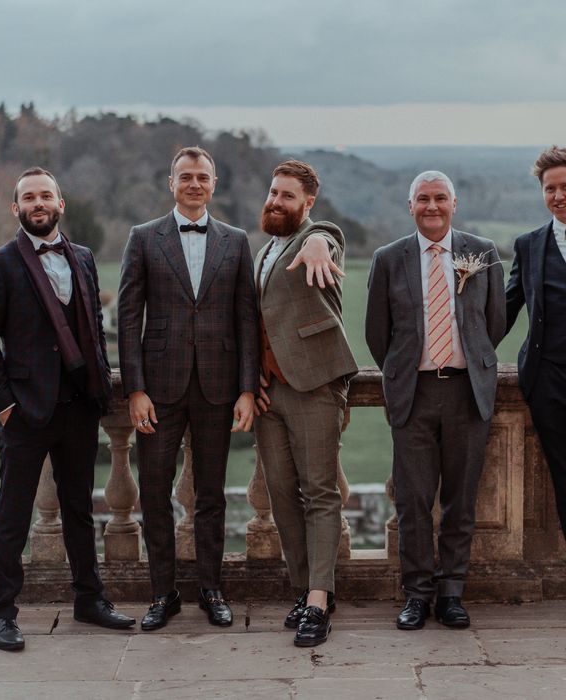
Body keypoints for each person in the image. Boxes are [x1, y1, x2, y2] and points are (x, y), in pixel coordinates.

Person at [0, 166, 135, 651]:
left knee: (80, 510)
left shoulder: (82, 257)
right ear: (15, 208)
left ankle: (90, 599)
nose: (37, 203)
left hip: (80, 408)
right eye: (28, 198)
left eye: (46, 195)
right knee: (12, 517)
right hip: (25, 411)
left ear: (60, 204)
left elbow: (92, 326)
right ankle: (2, 613)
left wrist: (100, 390)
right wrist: (3, 406)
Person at [118, 146, 259, 631]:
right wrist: (134, 388)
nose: (194, 184)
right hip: (159, 388)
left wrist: (246, 388)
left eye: (202, 177)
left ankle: (212, 589)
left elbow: (247, 319)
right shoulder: (142, 238)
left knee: (212, 495)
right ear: (171, 183)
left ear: (214, 183)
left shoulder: (237, 241)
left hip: (219, 387)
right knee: (155, 492)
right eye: (186, 177)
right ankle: (163, 593)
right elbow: (128, 317)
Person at [365, 171, 505, 631]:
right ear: (410, 206)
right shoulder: (389, 259)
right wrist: (406, 372)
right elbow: (376, 333)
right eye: (422, 199)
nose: (431, 206)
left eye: (439, 198)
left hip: (467, 393)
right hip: (414, 393)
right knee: (413, 502)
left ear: (454, 203)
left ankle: (451, 594)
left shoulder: (480, 253)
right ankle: (417, 595)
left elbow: (494, 323)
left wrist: (471, 361)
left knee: (461, 501)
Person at [253, 160, 358, 647]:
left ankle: (319, 598)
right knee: (280, 495)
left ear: (307, 203)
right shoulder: (263, 252)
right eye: (273, 193)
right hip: (268, 391)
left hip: (315, 385)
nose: (276, 201)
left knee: (319, 493)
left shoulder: (317, 238)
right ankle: (304, 588)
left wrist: (318, 240)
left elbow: (330, 238)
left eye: (288, 195)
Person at [505, 146, 566, 542]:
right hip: (549, 380)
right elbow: (504, 310)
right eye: (550, 188)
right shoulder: (528, 245)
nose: (558, 196)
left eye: (565, 186)